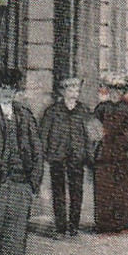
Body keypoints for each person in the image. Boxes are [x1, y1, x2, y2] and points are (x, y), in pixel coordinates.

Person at [0, 69, 43, 255]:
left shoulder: (25, 115)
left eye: (11, 88)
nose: (7, 92)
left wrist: (33, 183)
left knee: (16, 240)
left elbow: (37, 150)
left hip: (22, 186)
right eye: (3, 88)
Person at [38, 77, 92, 238]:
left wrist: (89, 157)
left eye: (77, 90)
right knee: (58, 192)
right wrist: (46, 153)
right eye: (71, 89)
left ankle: (73, 227)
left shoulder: (84, 111)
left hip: (77, 157)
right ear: (63, 92)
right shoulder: (52, 111)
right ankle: (60, 228)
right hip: (57, 157)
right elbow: (43, 134)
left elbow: (90, 136)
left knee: (76, 192)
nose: (75, 92)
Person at [93, 77, 128, 233]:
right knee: (116, 188)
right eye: (113, 90)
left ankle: (113, 223)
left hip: (113, 153)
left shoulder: (108, 108)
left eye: (118, 90)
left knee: (115, 188)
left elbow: (93, 131)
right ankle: (117, 222)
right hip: (116, 154)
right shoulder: (119, 109)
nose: (115, 93)